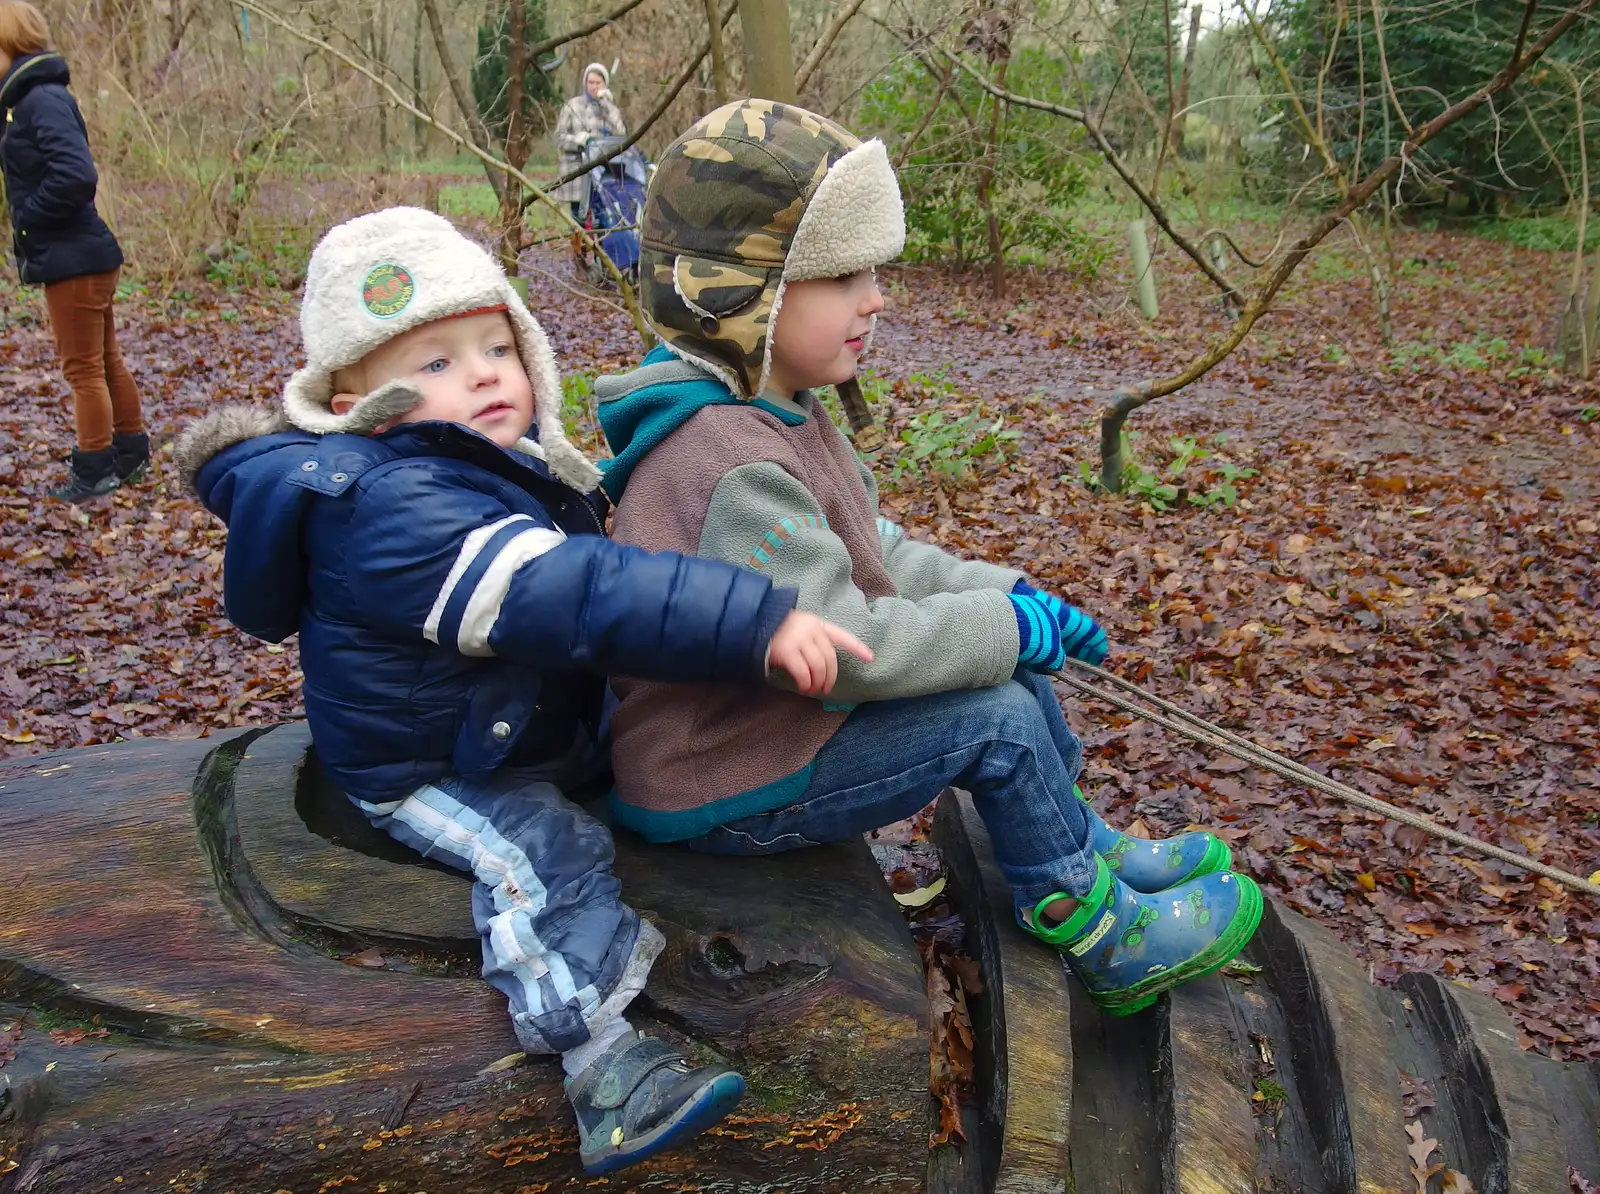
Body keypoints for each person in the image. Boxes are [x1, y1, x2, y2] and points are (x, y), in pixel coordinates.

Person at [174, 206, 870, 1174]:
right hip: (430, 760)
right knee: (536, 851)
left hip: (503, 718)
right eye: (435, 362)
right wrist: (750, 620)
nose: (483, 373)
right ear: (350, 395)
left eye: (496, 345)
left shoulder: (482, 467)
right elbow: (564, 589)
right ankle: (600, 1063)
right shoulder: (390, 509)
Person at [595, 100, 1262, 1018]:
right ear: (735, 292)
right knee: (994, 714)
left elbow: (881, 552)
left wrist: (1009, 596)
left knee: (1016, 686)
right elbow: (847, 647)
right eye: (840, 275)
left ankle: (1083, 842)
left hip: (763, 734)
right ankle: (1096, 925)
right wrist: (1002, 630)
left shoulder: (780, 407)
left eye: (872, 270)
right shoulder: (727, 460)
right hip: (721, 775)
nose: (875, 297)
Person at [0, 1, 148, 501]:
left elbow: (77, 175)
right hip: (81, 253)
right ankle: (130, 451)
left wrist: (27, 219)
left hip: (73, 257)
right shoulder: (29, 98)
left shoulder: (39, 99)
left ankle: (93, 470)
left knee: (83, 369)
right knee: (103, 361)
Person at [553, 62, 626, 223]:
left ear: (604, 84)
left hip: (603, 174)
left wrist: (608, 106)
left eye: (598, 83)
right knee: (579, 221)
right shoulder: (572, 106)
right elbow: (558, 138)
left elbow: (621, 135)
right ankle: (579, 247)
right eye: (590, 82)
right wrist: (577, 140)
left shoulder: (610, 109)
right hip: (577, 172)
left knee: (602, 221)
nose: (594, 86)